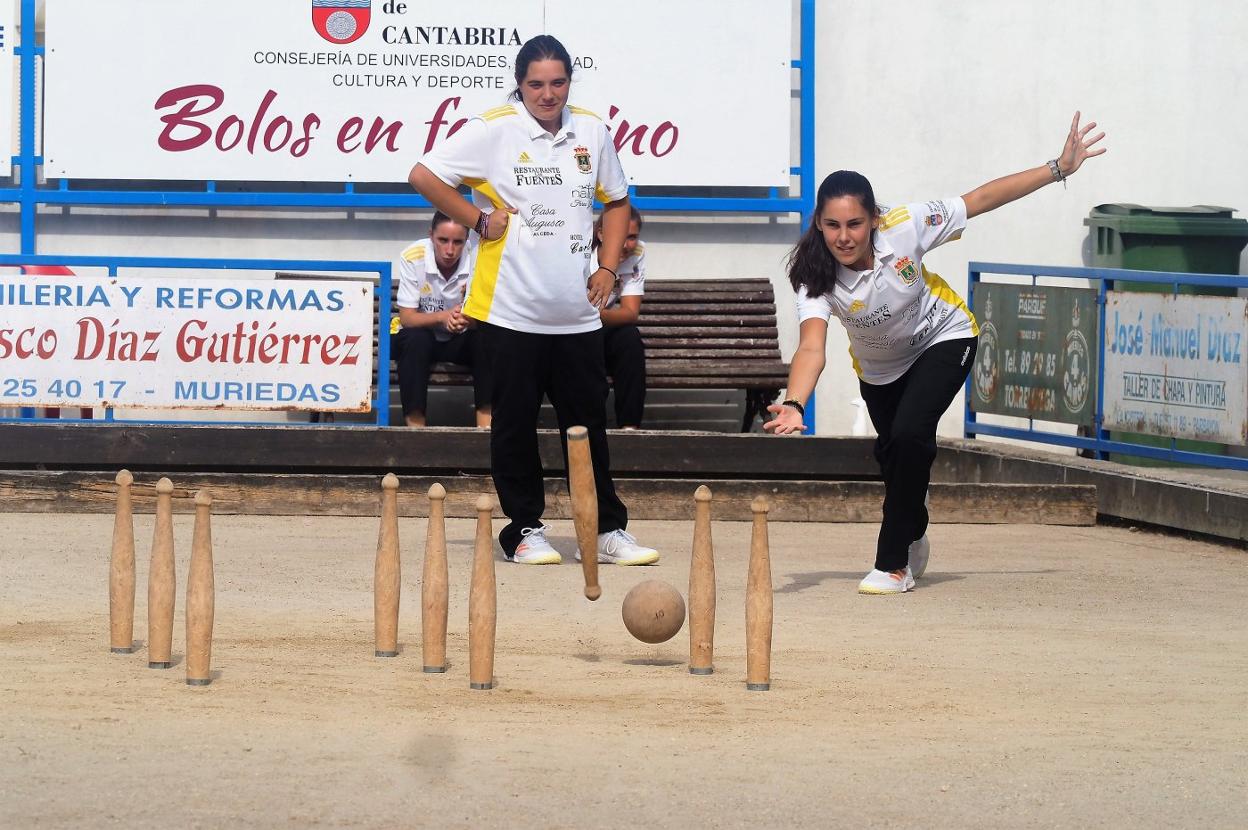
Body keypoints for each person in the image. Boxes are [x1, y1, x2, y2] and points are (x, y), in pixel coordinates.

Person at [765, 112, 1106, 595]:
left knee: (909, 438)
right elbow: (812, 347)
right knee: (897, 459)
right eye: (832, 225)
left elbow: (982, 198)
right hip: (882, 370)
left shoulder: (907, 227)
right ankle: (915, 526)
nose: (844, 237)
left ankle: (892, 565)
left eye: (855, 224)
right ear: (818, 224)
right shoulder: (814, 275)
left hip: (945, 336)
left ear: (874, 220)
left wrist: (1058, 168)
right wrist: (795, 402)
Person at [408, 34, 659, 566]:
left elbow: (616, 204)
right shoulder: (495, 129)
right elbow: (423, 175)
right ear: (519, 84)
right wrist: (477, 218)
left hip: (576, 316)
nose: (548, 95)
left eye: (558, 83)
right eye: (536, 84)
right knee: (514, 424)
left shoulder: (591, 129)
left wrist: (609, 267)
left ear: (570, 81)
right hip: (509, 311)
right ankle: (523, 530)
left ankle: (607, 529)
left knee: (588, 427)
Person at [390, 211, 491, 428]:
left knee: (486, 340)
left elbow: (489, 317)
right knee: (414, 340)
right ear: (431, 236)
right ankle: (416, 431)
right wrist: (443, 317)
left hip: (461, 340)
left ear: (467, 241)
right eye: (443, 240)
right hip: (424, 340)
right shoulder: (413, 255)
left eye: (458, 242)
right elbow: (407, 318)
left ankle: (486, 429)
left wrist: (466, 319)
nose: (449, 250)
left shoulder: (479, 258)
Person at [591, 207, 647, 429]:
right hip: (572, 332)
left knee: (630, 340)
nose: (625, 245)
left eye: (632, 237)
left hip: (599, 325)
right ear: (601, 234)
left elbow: (630, 313)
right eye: (619, 236)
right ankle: (592, 429)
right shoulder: (581, 253)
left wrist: (594, 315)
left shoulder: (637, 253)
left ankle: (629, 428)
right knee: (584, 344)